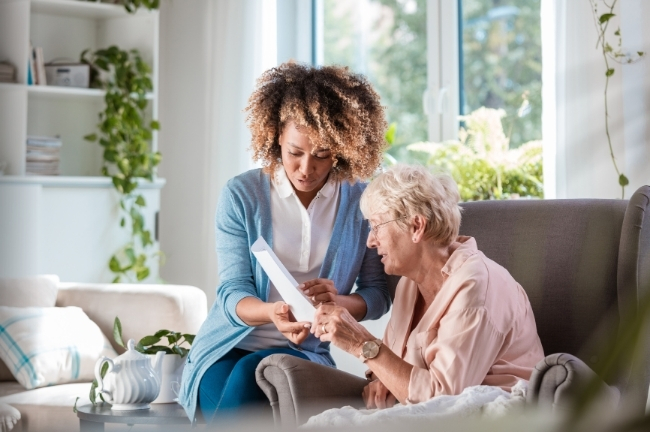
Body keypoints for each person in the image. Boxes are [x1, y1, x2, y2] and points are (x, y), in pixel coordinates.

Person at [178, 62, 392, 424]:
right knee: (246, 373)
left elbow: (377, 294)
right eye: (295, 152)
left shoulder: (360, 201)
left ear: (340, 149)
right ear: (277, 135)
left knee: (254, 373)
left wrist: (336, 301)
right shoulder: (242, 195)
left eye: (322, 155)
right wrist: (273, 314)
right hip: (226, 348)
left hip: (304, 351)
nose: (306, 168)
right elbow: (232, 292)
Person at [312, 164, 544, 409]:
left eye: (377, 226)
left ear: (416, 227)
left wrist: (361, 343)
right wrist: (382, 379)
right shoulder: (408, 285)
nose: (370, 241)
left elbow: (444, 401)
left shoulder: (476, 286)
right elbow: (392, 363)